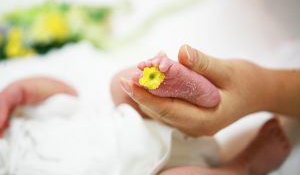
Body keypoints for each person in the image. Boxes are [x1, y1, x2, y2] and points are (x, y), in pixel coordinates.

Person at [0, 48, 292, 174]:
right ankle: (243, 167)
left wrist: (18, 92)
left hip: (133, 119)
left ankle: (173, 85)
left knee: (120, 84)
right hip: (155, 171)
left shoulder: (14, 121)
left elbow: (66, 94)